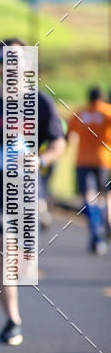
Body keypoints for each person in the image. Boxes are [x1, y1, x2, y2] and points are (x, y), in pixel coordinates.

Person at [0, 38, 66, 346]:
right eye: (1, 60)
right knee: (3, 248)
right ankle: (13, 320)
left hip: (26, 187)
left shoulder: (41, 104)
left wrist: (42, 159)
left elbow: (59, 142)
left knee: (19, 257)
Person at [67, 87, 111, 255]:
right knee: (106, 195)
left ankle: (95, 230)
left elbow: (70, 136)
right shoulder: (108, 112)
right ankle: (106, 224)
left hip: (83, 160)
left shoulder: (81, 113)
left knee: (88, 195)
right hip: (104, 161)